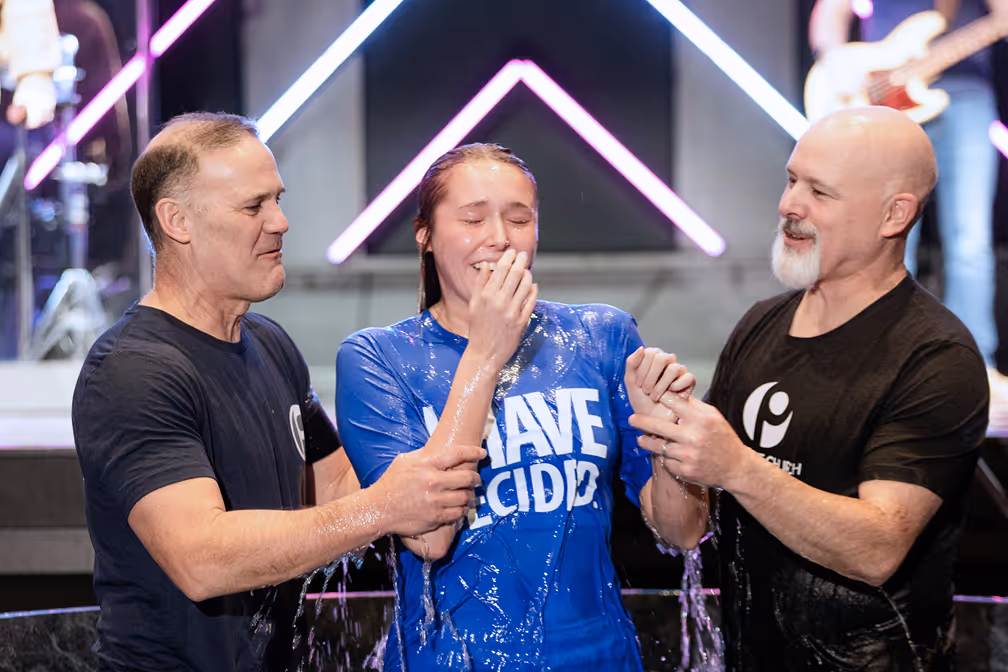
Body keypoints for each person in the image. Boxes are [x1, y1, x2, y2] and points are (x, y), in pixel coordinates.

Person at [72, 112, 486, 672]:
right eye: (254, 207)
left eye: (278, 200)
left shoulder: (269, 343)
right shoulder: (132, 370)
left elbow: (335, 487)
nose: (281, 222)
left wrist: (463, 402)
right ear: (177, 221)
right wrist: (385, 506)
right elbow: (202, 559)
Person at [628, 107, 989, 670]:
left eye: (820, 192)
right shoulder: (761, 325)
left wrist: (738, 468)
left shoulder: (934, 356)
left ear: (894, 214)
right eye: (792, 180)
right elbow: (684, 533)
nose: (789, 205)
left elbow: (877, 550)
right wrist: (667, 443)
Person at [335, 143, 703, 671]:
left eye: (519, 219)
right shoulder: (376, 358)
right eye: (472, 219)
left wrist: (667, 437)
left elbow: (682, 532)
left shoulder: (602, 336)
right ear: (425, 235)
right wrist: (485, 353)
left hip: (598, 657)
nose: (500, 238)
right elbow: (430, 538)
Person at [810, 0, 1008, 399]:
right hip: (885, 96)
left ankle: (974, 366)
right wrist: (837, 62)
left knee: (970, 241)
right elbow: (829, 15)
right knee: (886, 239)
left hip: (965, 93)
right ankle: (883, 362)